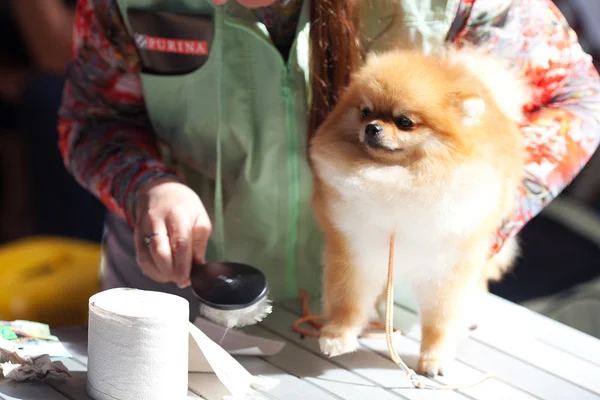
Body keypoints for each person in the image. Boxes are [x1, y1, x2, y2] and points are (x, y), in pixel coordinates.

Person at [58, 0, 600, 320]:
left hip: (391, 327)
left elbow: (577, 97)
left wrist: (480, 218)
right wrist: (147, 185)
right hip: (184, 309)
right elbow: (95, 120)